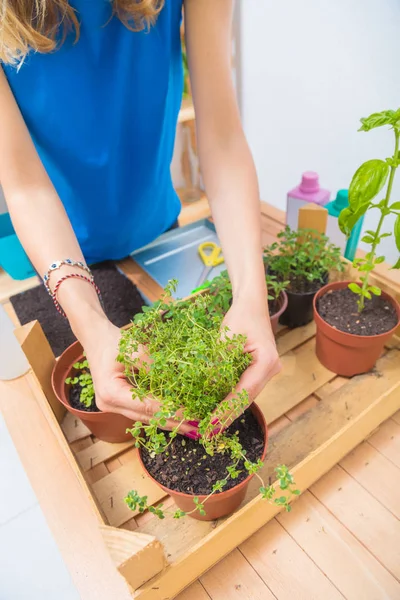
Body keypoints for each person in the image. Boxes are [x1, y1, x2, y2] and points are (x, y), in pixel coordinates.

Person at [0, 0, 281, 434]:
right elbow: (25, 185)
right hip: (59, 249)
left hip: (157, 226)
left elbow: (222, 136)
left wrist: (250, 296)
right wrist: (89, 323)